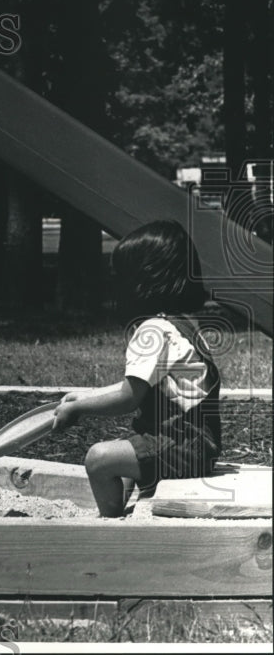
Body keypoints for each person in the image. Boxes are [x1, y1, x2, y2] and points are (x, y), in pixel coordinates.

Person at [52, 220, 222, 516]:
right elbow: (136, 385)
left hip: (182, 446)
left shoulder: (152, 331)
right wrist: (83, 396)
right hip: (197, 445)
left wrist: (79, 410)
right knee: (124, 447)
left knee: (99, 458)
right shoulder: (177, 324)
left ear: (140, 281)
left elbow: (128, 397)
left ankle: (110, 520)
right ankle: (129, 510)